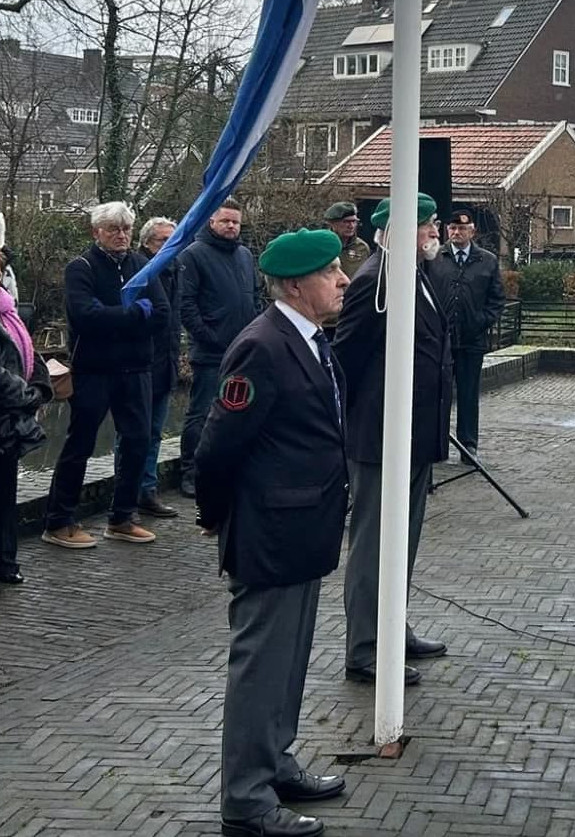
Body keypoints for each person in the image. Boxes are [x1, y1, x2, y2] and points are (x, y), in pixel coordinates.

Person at [195, 228, 350, 837]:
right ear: (293, 285)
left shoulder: (310, 339)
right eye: (329, 271)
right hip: (269, 534)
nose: (342, 280)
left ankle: (275, 762)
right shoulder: (262, 346)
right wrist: (217, 517)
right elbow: (216, 449)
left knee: (289, 663)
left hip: (303, 530)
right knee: (261, 668)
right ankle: (246, 801)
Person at [334, 192, 453, 686]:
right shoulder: (373, 281)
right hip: (382, 437)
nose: (435, 233)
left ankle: (392, 629)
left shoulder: (417, 273)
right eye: (427, 225)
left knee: (402, 541)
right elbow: (346, 359)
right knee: (373, 545)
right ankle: (365, 649)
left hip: (416, 435)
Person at [41, 202, 169, 549]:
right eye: (113, 229)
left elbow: (161, 313)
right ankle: (59, 520)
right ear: (96, 232)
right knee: (79, 443)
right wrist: (133, 314)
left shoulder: (142, 265)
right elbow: (86, 317)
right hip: (94, 370)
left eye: (126, 228)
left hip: (137, 369)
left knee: (137, 441)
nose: (121, 235)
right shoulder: (80, 268)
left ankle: (122, 517)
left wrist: (119, 316)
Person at [177, 198, 260, 498]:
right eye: (225, 221)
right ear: (212, 221)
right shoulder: (194, 255)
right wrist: (207, 335)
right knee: (201, 414)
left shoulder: (245, 255)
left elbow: (255, 296)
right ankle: (190, 472)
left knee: (238, 413)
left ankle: (229, 468)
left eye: (236, 222)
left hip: (244, 350)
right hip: (210, 352)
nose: (231, 226)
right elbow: (185, 304)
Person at [114, 216, 180, 519]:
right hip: (140, 366)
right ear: (146, 243)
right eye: (160, 241)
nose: (167, 246)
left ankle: (147, 490)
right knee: (132, 434)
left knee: (154, 433)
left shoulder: (176, 271)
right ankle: (126, 492)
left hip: (165, 363)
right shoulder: (140, 272)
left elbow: (171, 320)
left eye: (172, 240)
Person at [433, 207, 504, 462]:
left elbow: (496, 300)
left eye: (462, 228)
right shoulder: (436, 258)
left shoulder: (487, 260)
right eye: (452, 228)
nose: (456, 233)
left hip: (472, 339)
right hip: (441, 340)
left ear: (472, 230)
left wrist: (481, 321)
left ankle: (468, 445)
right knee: (439, 394)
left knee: (468, 393)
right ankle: (437, 444)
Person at [0, 281, 51, 584]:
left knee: (6, 494)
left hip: (9, 418)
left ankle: (6, 561)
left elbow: (26, 347)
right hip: (9, 406)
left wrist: (41, 385)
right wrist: (26, 395)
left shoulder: (6, 304)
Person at [323, 201, 370, 278]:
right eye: (346, 222)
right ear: (332, 223)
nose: (351, 226)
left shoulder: (362, 248)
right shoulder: (322, 245)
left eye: (354, 221)